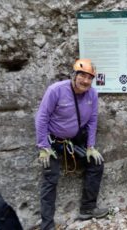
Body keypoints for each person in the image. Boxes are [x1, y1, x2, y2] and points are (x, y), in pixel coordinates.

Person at [35, 59, 108, 230]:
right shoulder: (56, 90)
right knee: (50, 179)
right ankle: (47, 225)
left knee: (96, 163)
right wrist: (43, 147)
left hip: (73, 142)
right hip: (52, 142)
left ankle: (88, 208)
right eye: (82, 75)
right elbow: (42, 117)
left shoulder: (92, 94)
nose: (86, 81)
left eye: (90, 78)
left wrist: (90, 146)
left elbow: (92, 121)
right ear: (73, 75)